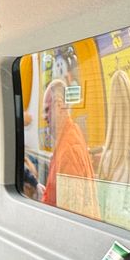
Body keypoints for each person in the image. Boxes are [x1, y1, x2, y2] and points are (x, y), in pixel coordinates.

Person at [41, 79, 100, 219]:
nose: (44, 117)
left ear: (59, 106)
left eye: (47, 110)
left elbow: (71, 215)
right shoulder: (71, 133)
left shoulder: (68, 151)